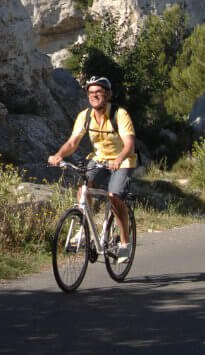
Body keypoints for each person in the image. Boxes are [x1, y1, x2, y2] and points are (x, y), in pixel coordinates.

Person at [47, 76, 138, 260]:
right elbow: (73, 142)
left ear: (108, 94)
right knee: (83, 190)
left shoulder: (119, 114)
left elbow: (130, 144)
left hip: (123, 160)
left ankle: (125, 243)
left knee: (114, 196)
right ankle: (84, 230)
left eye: (99, 92)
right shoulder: (85, 116)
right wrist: (59, 155)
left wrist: (119, 159)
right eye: (91, 92)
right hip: (99, 160)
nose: (94, 95)